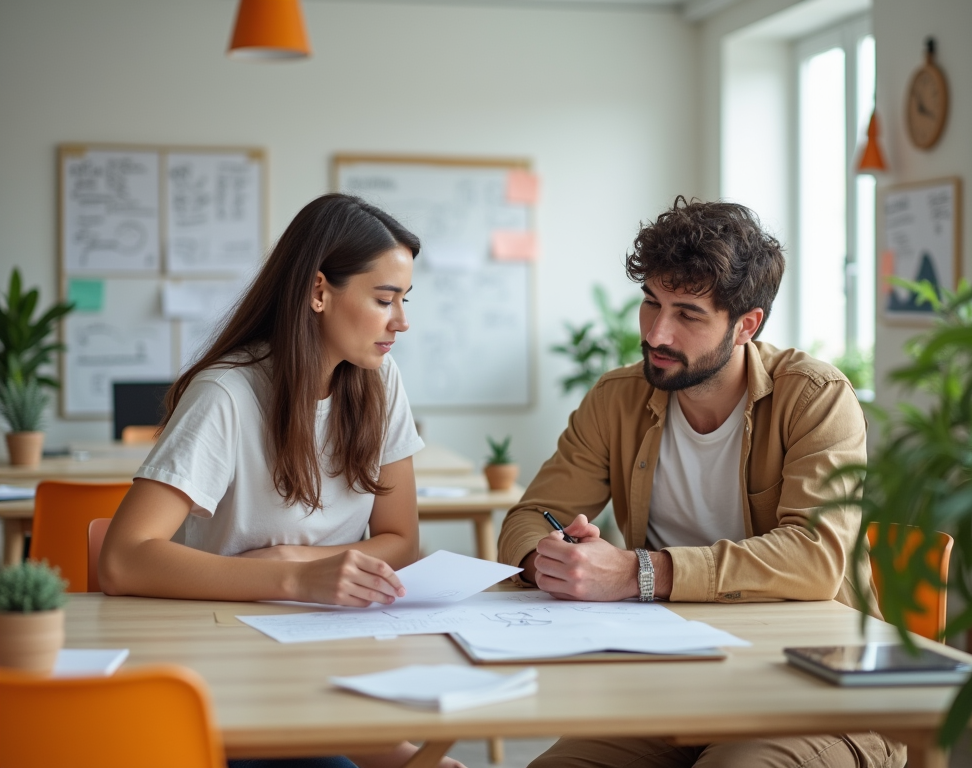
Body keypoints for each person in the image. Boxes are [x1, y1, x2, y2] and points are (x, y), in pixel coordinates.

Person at [497, 197, 904, 768]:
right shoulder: (618, 398)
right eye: (650, 303)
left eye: (687, 314)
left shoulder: (815, 398)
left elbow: (816, 559)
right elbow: (529, 516)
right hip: (671, 690)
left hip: (815, 692)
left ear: (746, 325)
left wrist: (639, 573)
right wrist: (551, 560)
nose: (656, 332)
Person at [100, 193, 464, 768]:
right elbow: (121, 560)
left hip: (336, 666)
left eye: (404, 300)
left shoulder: (380, 380)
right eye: (384, 299)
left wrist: (304, 565)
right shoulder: (227, 395)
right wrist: (291, 579)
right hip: (234, 670)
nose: (402, 321)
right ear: (319, 291)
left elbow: (401, 540)